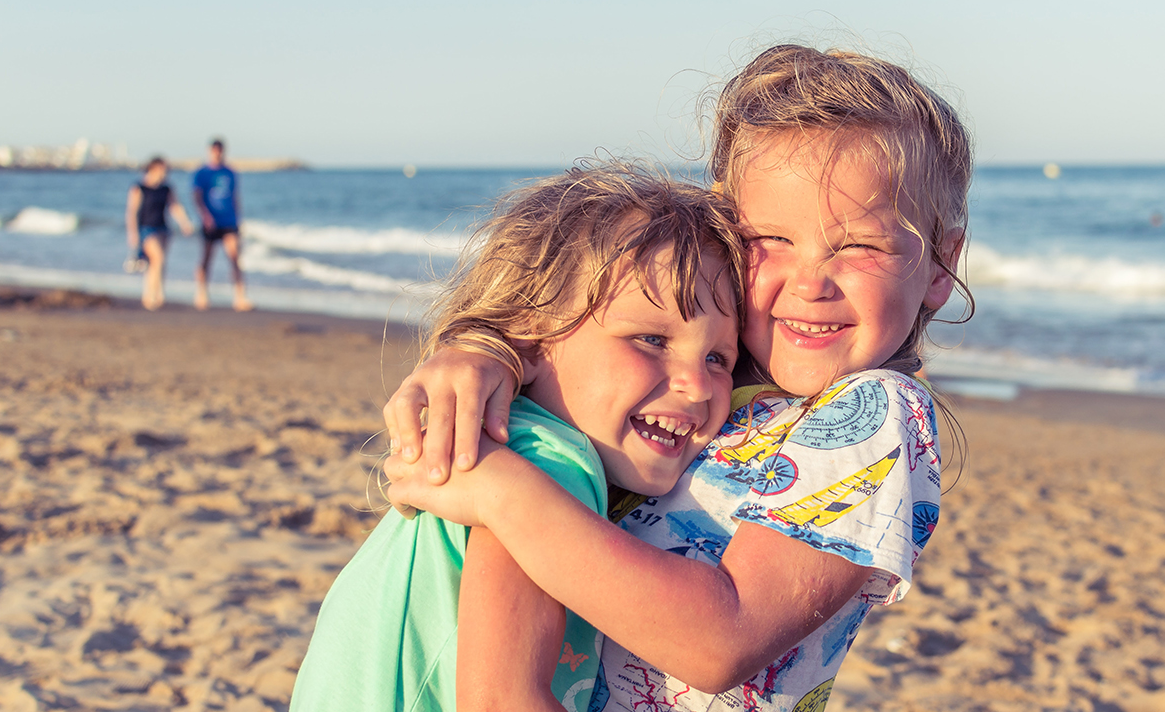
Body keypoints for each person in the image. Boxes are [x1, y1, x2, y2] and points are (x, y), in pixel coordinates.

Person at [383, 44, 973, 710]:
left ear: (940, 267)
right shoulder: (710, 381)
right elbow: (589, 322)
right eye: (768, 240)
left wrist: (501, 493)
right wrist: (490, 353)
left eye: (860, 245)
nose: (810, 283)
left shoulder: (875, 414)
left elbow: (721, 640)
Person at [290, 161, 745, 712]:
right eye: (650, 338)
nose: (696, 386)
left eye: (719, 357)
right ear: (533, 340)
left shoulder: (519, 445)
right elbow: (503, 701)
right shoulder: (548, 462)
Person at [124, 156, 194, 310]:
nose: (165, 173)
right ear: (153, 169)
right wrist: (133, 233)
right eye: (163, 169)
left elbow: (174, 206)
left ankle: (156, 293)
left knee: (157, 264)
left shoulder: (166, 188)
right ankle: (150, 296)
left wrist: (185, 223)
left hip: (163, 229)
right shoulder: (139, 187)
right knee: (158, 259)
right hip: (146, 229)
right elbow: (131, 212)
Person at [191, 138, 253, 311]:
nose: (217, 154)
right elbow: (196, 196)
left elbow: (235, 197)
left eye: (220, 150)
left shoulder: (230, 173)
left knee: (234, 257)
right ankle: (201, 294)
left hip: (229, 221)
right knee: (206, 259)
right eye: (214, 150)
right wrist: (205, 215)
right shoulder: (201, 173)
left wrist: (239, 220)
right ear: (209, 151)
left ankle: (240, 297)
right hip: (210, 222)